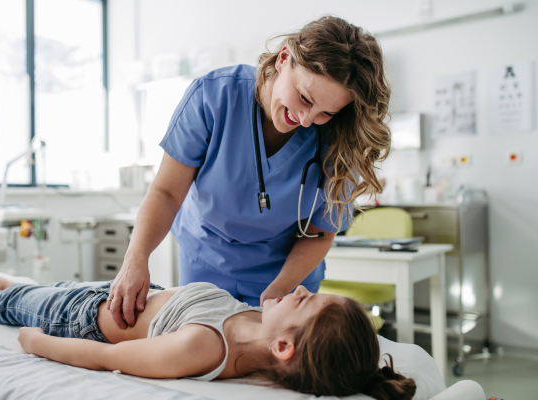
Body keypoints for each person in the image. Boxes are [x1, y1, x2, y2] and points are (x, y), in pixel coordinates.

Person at [108, 15, 391, 329]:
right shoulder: (213, 98)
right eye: (305, 98)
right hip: (206, 262)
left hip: (288, 277)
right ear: (285, 58)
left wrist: (279, 292)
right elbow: (167, 192)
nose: (307, 119)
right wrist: (136, 259)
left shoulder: (343, 139)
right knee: (198, 358)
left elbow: (320, 232)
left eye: (325, 112)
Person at [0, 266, 415, 399]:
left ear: (283, 346)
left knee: (13, 306)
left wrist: (37, 342)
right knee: (39, 287)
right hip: (120, 293)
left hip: (82, 317)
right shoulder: (258, 328)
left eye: (305, 300)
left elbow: (109, 359)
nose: (298, 292)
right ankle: (9, 282)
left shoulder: (202, 348)